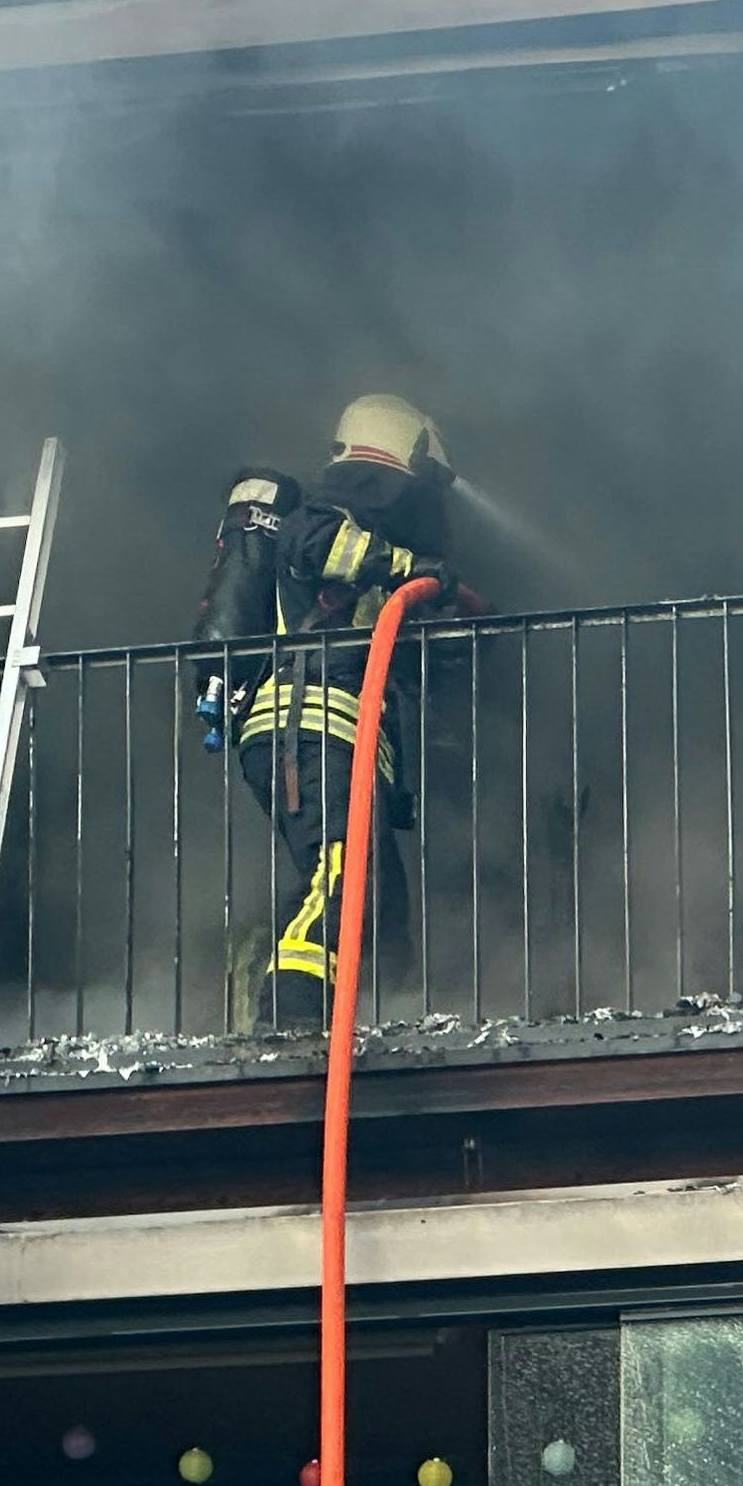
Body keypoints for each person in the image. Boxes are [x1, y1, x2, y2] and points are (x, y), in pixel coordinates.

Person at [192, 394, 483, 1030]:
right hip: (311, 724)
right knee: (343, 874)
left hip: (340, 736)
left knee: (380, 898)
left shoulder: (366, 548)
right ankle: (290, 1022)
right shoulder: (329, 517)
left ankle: (375, 1012)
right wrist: (414, 568)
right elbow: (314, 542)